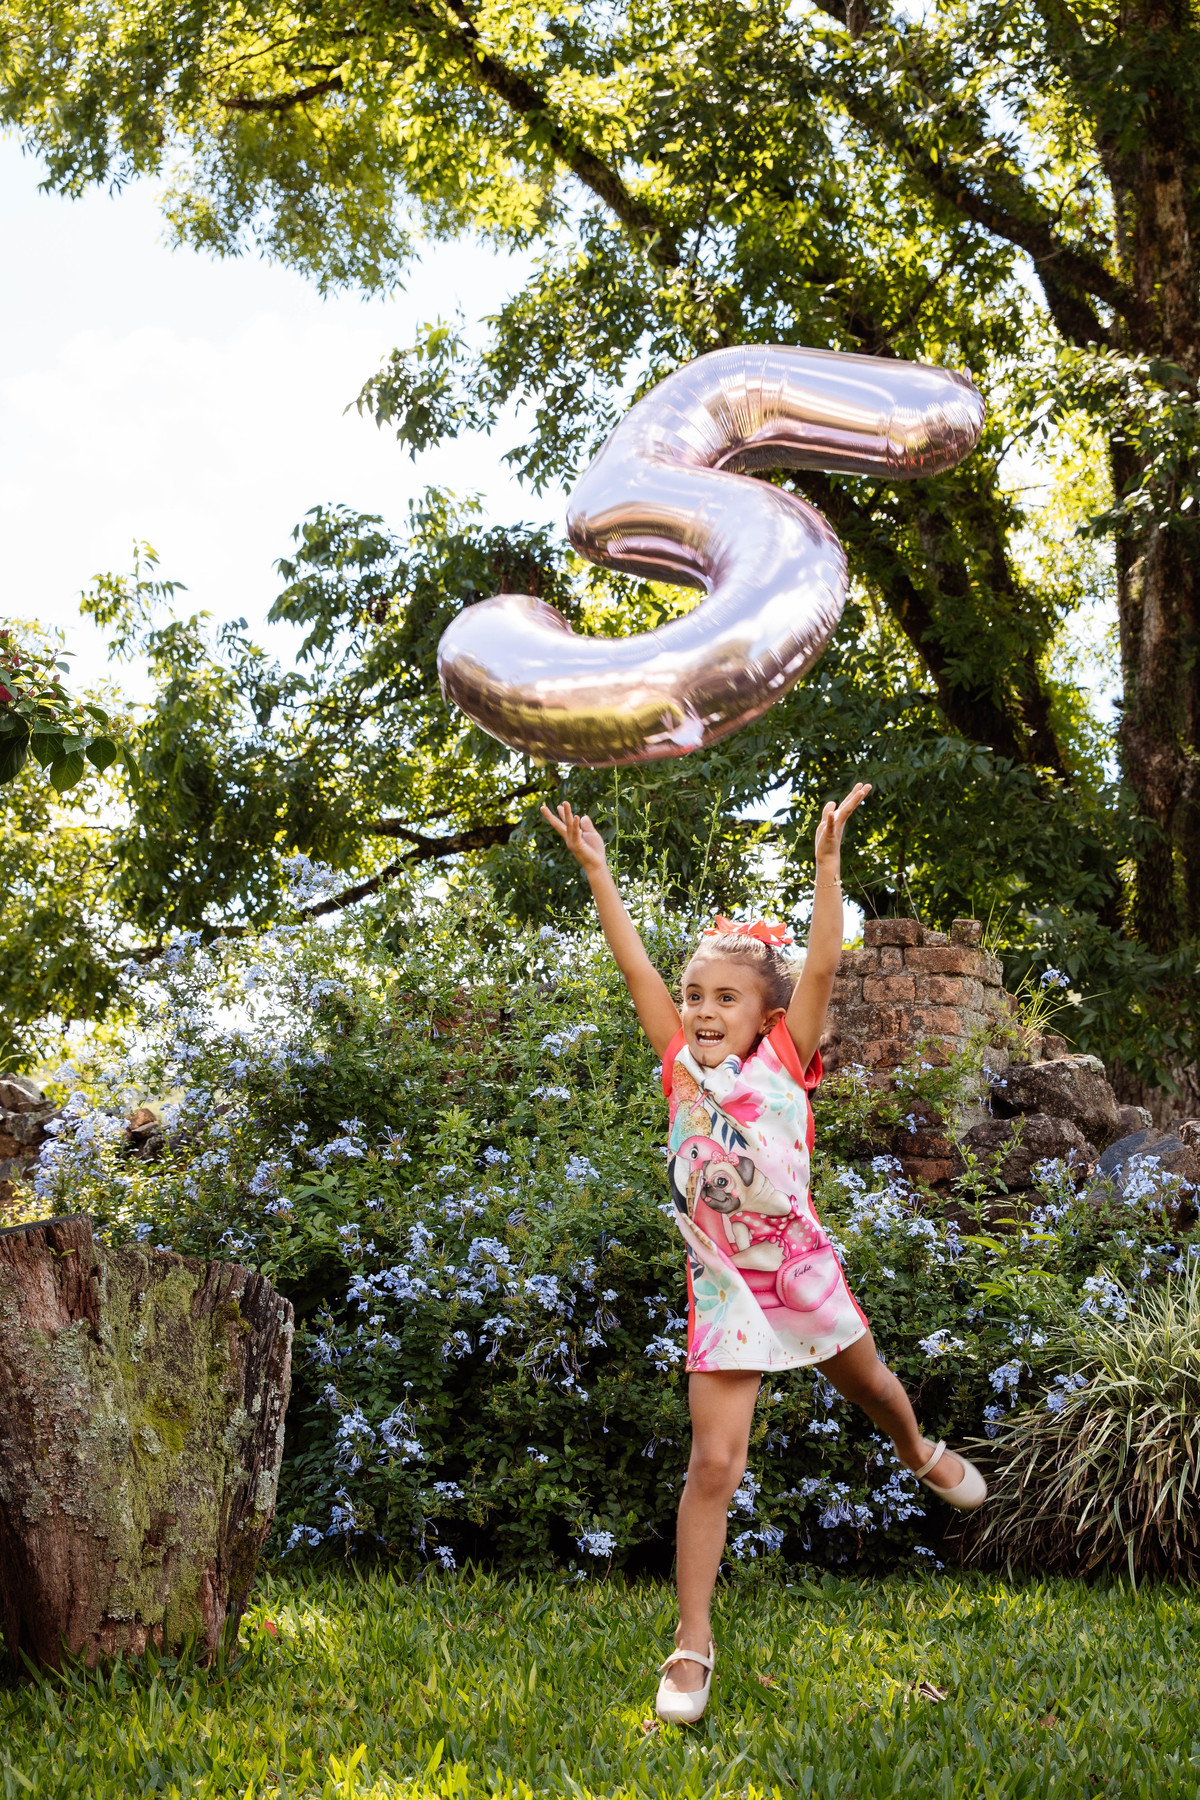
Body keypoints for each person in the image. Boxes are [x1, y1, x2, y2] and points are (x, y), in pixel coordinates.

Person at [541, 784, 986, 1725]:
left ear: (765, 1013)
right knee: (714, 1463)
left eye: (724, 997)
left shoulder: (787, 1059)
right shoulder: (676, 1065)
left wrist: (828, 869)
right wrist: (599, 874)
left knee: (872, 1388)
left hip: (800, 1267)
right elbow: (635, 974)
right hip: (725, 1285)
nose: (701, 1009)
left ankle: (919, 1450)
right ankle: (691, 1646)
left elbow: (822, 965)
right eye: (694, 994)